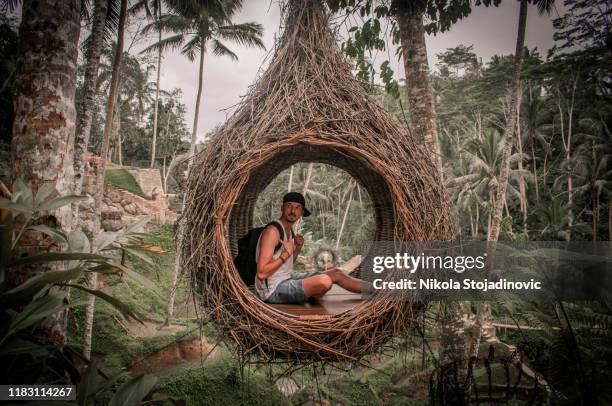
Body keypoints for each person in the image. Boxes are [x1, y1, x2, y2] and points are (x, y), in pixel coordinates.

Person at [255, 192, 366, 304]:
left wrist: (297, 248)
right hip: (272, 291)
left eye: (297, 208)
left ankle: (378, 289)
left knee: (336, 273)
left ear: (302, 212)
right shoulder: (272, 232)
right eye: (289, 206)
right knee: (324, 281)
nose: (293, 211)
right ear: (282, 208)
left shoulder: (289, 231)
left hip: (286, 278)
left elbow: (285, 267)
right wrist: (286, 254)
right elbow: (261, 274)